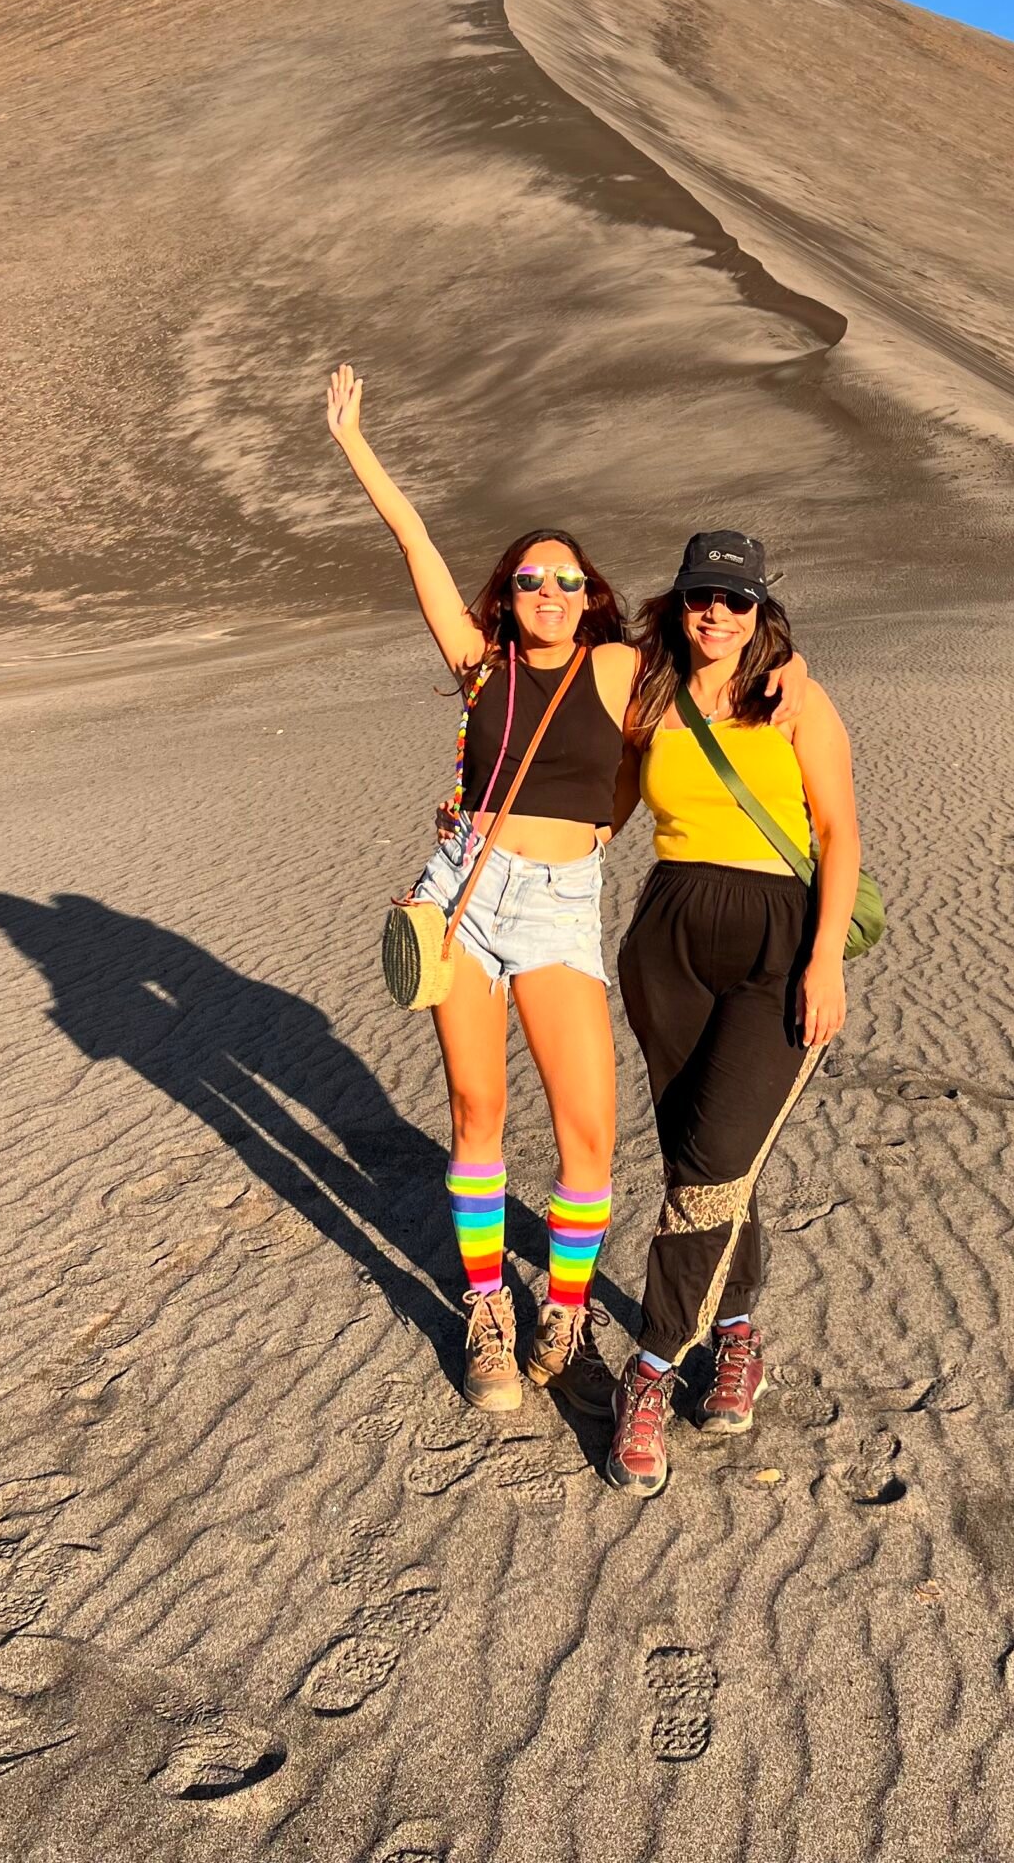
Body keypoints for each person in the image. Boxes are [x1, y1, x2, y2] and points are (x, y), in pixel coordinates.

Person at [325, 372, 808, 1420]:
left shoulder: (621, 669)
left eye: (567, 580)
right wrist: (357, 445)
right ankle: (488, 1309)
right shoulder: (478, 663)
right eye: (530, 579)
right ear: (507, 595)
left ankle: (568, 1311)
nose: (548, 592)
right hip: (463, 893)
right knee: (476, 1111)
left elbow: (722, 650)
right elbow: (415, 544)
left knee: (588, 1132)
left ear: (591, 595)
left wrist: (797, 670)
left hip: (558, 901)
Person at [604, 530, 862, 1498]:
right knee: (705, 1159)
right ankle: (739, 1334)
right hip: (666, 942)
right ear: (678, 603)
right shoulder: (651, 699)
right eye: (700, 596)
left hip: (776, 943)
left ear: (762, 611)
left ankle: (651, 1365)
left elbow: (839, 831)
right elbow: (603, 814)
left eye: (736, 599)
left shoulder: (795, 700)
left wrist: (825, 960)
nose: (716, 613)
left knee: (713, 1160)